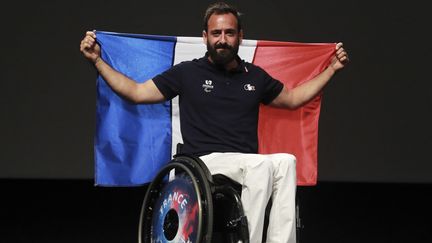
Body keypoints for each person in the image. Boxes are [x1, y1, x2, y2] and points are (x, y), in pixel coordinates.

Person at [80, 2, 348, 243]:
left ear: (239, 37)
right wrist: (97, 61)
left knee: (287, 161)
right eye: (216, 33)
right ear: (205, 37)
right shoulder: (187, 72)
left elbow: (292, 98)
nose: (223, 40)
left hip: (243, 163)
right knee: (261, 165)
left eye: (229, 33)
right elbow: (136, 92)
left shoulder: (255, 76)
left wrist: (331, 70)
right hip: (202, 162)